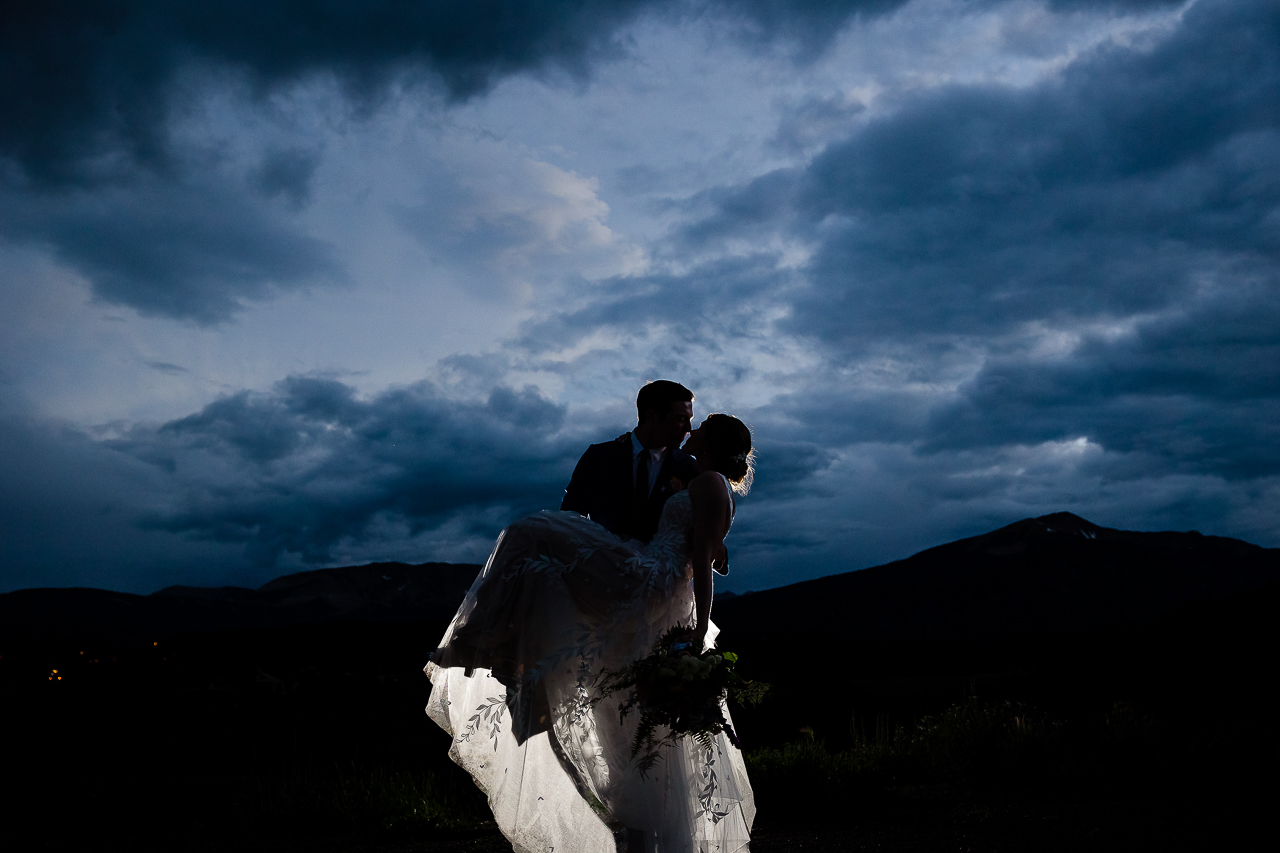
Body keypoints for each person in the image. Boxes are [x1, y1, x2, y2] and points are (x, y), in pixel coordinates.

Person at [425, 413, 757, 853]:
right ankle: (497, 647)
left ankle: (483, 642)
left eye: (699, 427)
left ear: (712, 441)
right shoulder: (703, 479)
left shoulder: (708, 481)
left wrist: (699, 627)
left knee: (532, 533)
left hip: (651, 578)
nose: (690, 431)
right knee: (535, 539)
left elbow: (701, 557)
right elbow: (706, 540)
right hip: (650, 567)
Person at [560, 380, 699, 544]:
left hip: (662, 566)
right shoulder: (599, 457)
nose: (688, 428)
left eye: (689, 419)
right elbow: (569, 516)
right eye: (680, 419)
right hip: (601, 564)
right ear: (651, 417)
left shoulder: (688, 467)